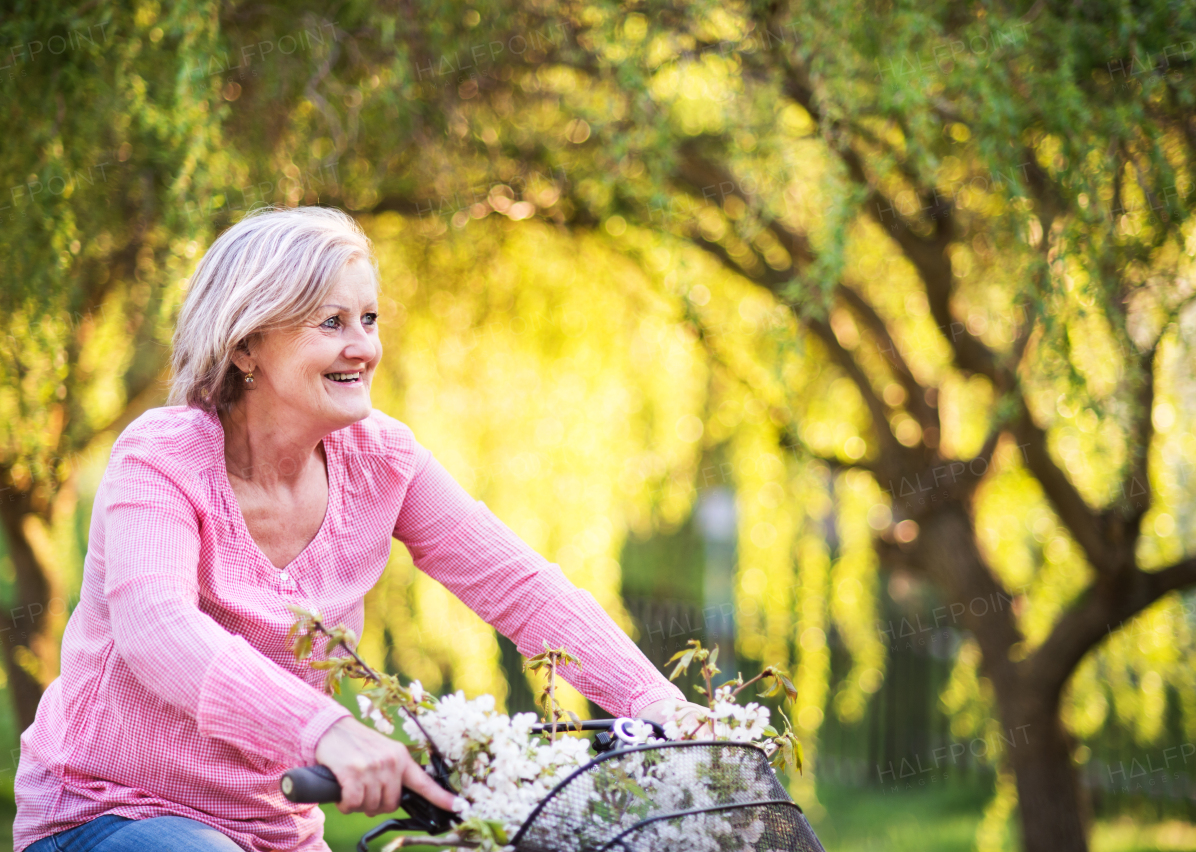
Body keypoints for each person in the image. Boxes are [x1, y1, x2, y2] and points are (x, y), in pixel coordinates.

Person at [14, 207, 696, 851]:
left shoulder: (381, 460)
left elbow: (521, 588)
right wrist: (327, 731)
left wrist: (659, 703)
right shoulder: (162, 456)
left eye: (368, 319)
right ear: (248, 344)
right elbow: (156, 627)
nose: (363, 347)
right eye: (331, 322)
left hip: (277, 830)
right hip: (111, 811)